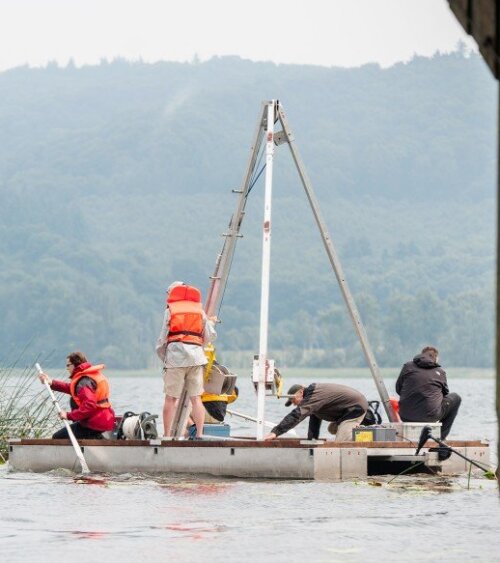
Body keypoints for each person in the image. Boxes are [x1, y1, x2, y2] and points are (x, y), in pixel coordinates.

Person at [155, 281, 217, 439]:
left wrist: (164, 358)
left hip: (175, 359)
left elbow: (162, 339)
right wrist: (199, 346)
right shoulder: (199, 310)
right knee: (196, 398)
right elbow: (211, 335)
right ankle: (200, 434)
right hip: (196, 358)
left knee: (170, 398)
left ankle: (167, 435)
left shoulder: (171, 310)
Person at [38, 351, 115, 439]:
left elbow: (89, 405)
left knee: (57, 437)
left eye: (68, 365)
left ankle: (96, 440)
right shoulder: (87, 377)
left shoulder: (84, 381)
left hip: (94, 423)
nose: (67, 368)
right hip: (103, 420)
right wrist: (51, 382)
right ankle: (98, 439)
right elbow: (72, 388)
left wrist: (68, 415)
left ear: (76, 364)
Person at [264, 382, 368, 441]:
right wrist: (312, 441)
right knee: (332, 429)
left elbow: (297, 415)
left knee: (341, 443)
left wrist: (275, 432)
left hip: (354, 408)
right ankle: (353, 431)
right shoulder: (313, 399)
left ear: (301, 392)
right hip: (344, 412)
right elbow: (315, 420)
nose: (294, 404)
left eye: (293, 400)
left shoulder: (314, 395)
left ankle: (363, 436)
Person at [395, 346, 461, 440]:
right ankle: (441, 437)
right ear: (436, 358)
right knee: (456, 398)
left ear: (422, 355)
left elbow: (398, 389)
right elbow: (444, 395)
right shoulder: (440, 372)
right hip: (430, 416)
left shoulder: (407, 366)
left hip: (406, 416)